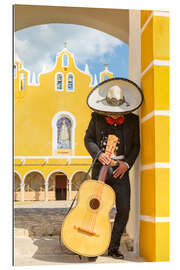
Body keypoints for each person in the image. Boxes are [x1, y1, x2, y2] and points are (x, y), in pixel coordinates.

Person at [84, 78, 143, 261]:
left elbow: (135, 146)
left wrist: (127, 164)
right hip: (100, 170)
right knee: (95, 208)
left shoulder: (133, 121)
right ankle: (91, 246)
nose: (115, 115)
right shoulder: (96, 118)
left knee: (124, 209)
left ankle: (113, 247)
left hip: (120, 171)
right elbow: (88, 139)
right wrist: (98, 154)